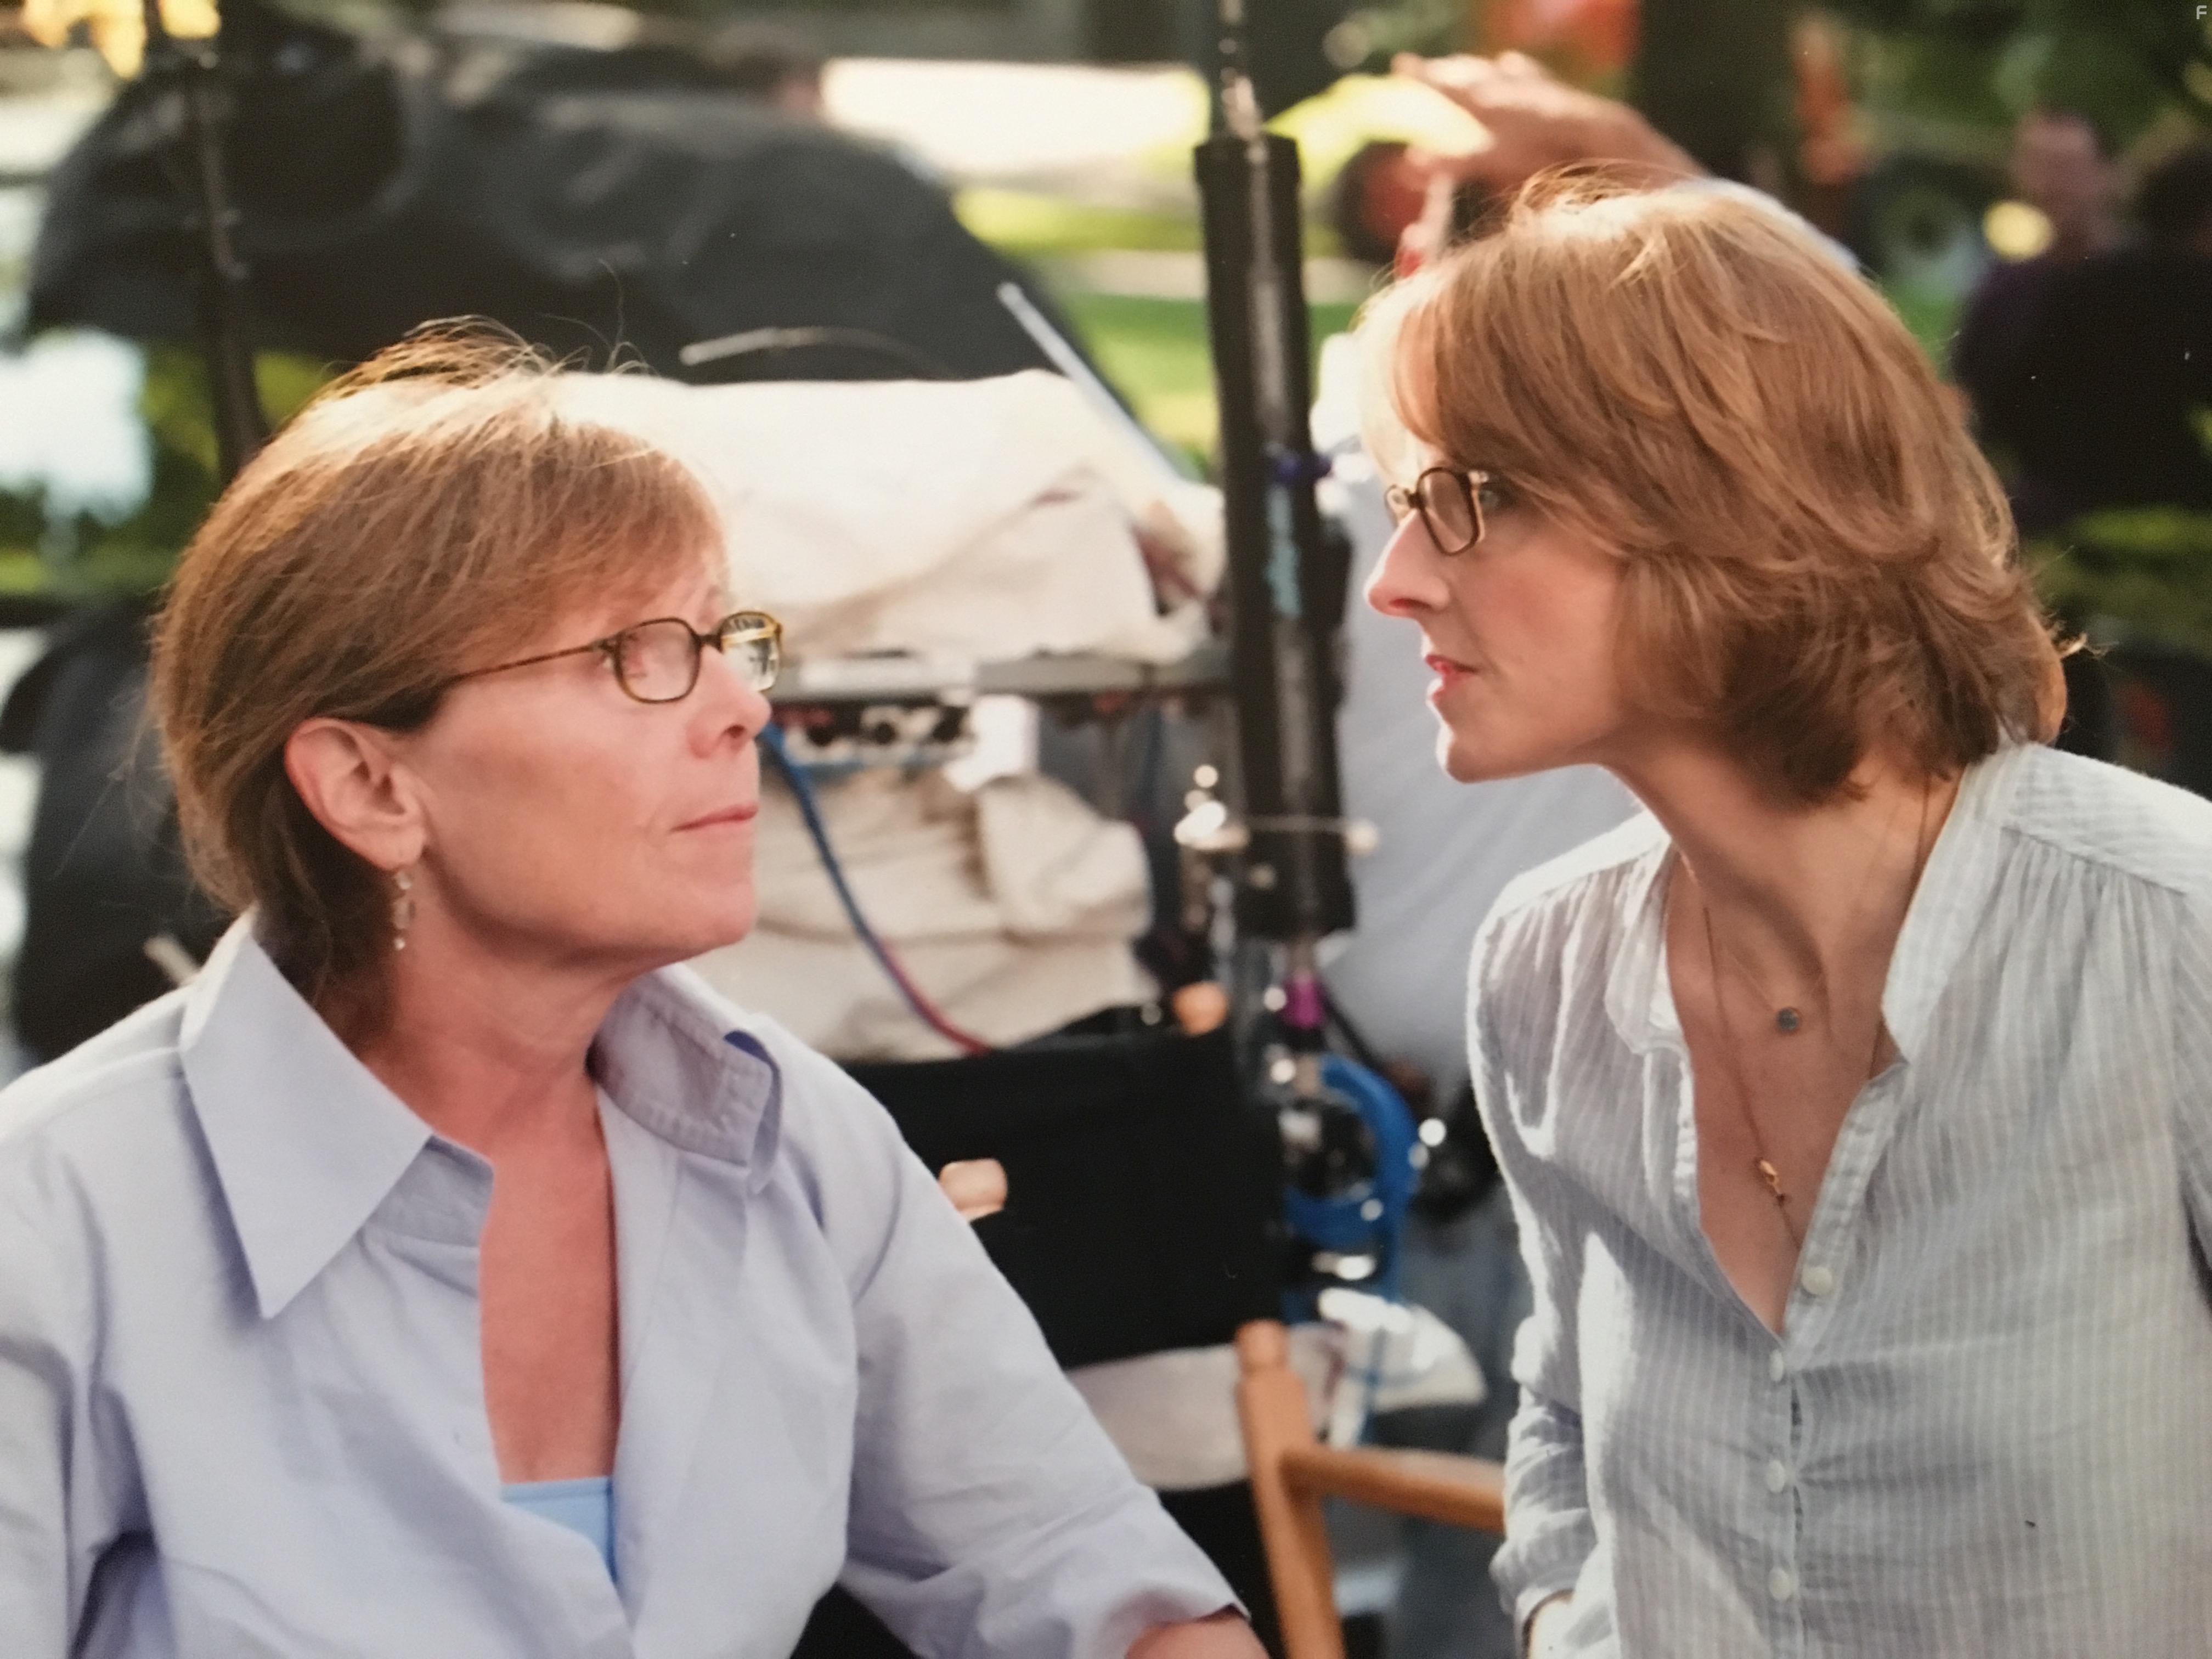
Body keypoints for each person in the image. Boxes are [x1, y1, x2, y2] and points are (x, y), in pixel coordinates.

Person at [0, 330, 1262, 1659]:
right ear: (372, 787)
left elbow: (1082, 1575)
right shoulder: (57, 1224)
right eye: (631, 655)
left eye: (726, 640)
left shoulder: (794, 1144)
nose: (742, 710)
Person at [1361, 176, 2212, 1657]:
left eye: (1465, 502)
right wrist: (1570, 1612)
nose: (1396, 580)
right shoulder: (1549, 968)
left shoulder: (2167, 939)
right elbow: (1560, 1426)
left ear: (1715, 501)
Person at [1952, 106, 2126, 534]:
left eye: (2068, 168)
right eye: (2040, 166)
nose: (2053, 185)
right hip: (2031, 505)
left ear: (2108, 174)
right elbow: (1963, 393)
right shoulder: (2006, 286)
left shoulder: (2149, 281)